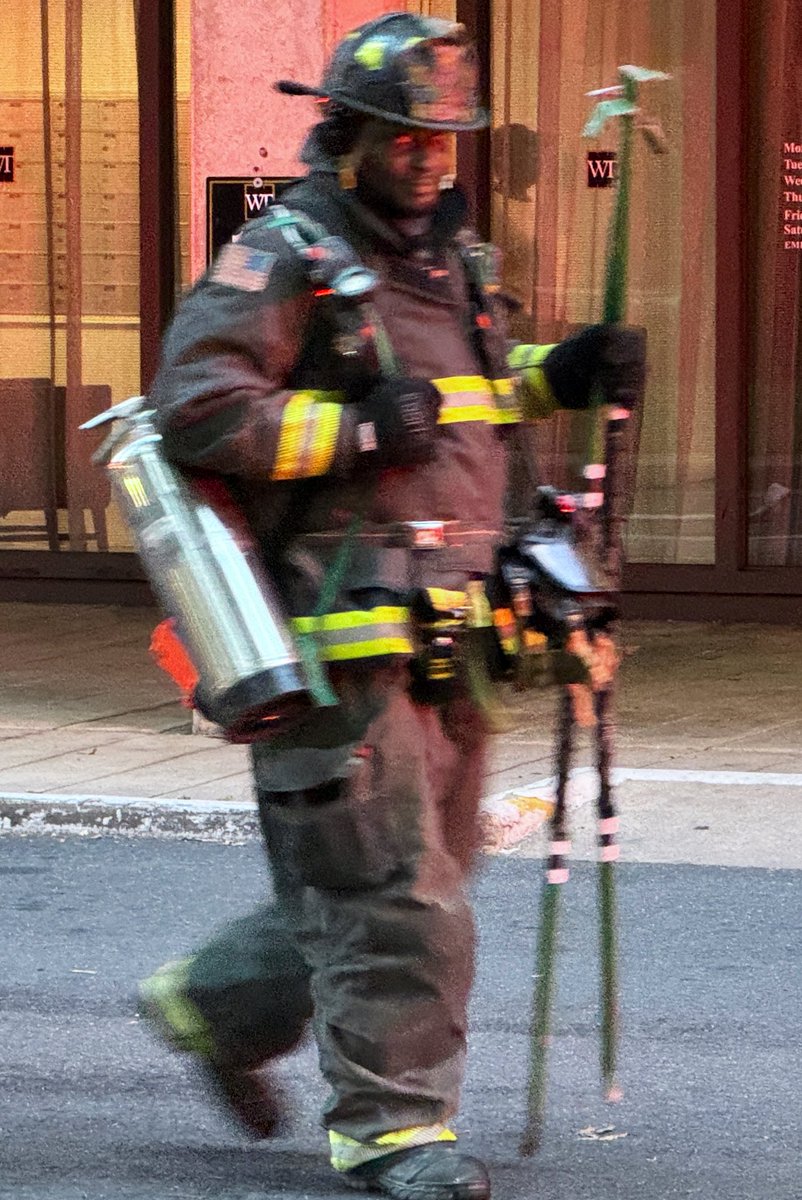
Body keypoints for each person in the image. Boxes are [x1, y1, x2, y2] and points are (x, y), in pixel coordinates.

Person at [137, 14, 645, 1200]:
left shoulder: (454, 266)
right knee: (398, 899)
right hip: (330, 646)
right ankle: (394, 1134)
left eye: (442, 140)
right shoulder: (282, 255)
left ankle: (210, 1005)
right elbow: (196, 410)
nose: (427, 159)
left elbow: (466, 404)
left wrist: (555, 375)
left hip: (451, 640)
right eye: (405, 137)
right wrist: (354, 427)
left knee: (399, 881)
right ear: (349, 130)